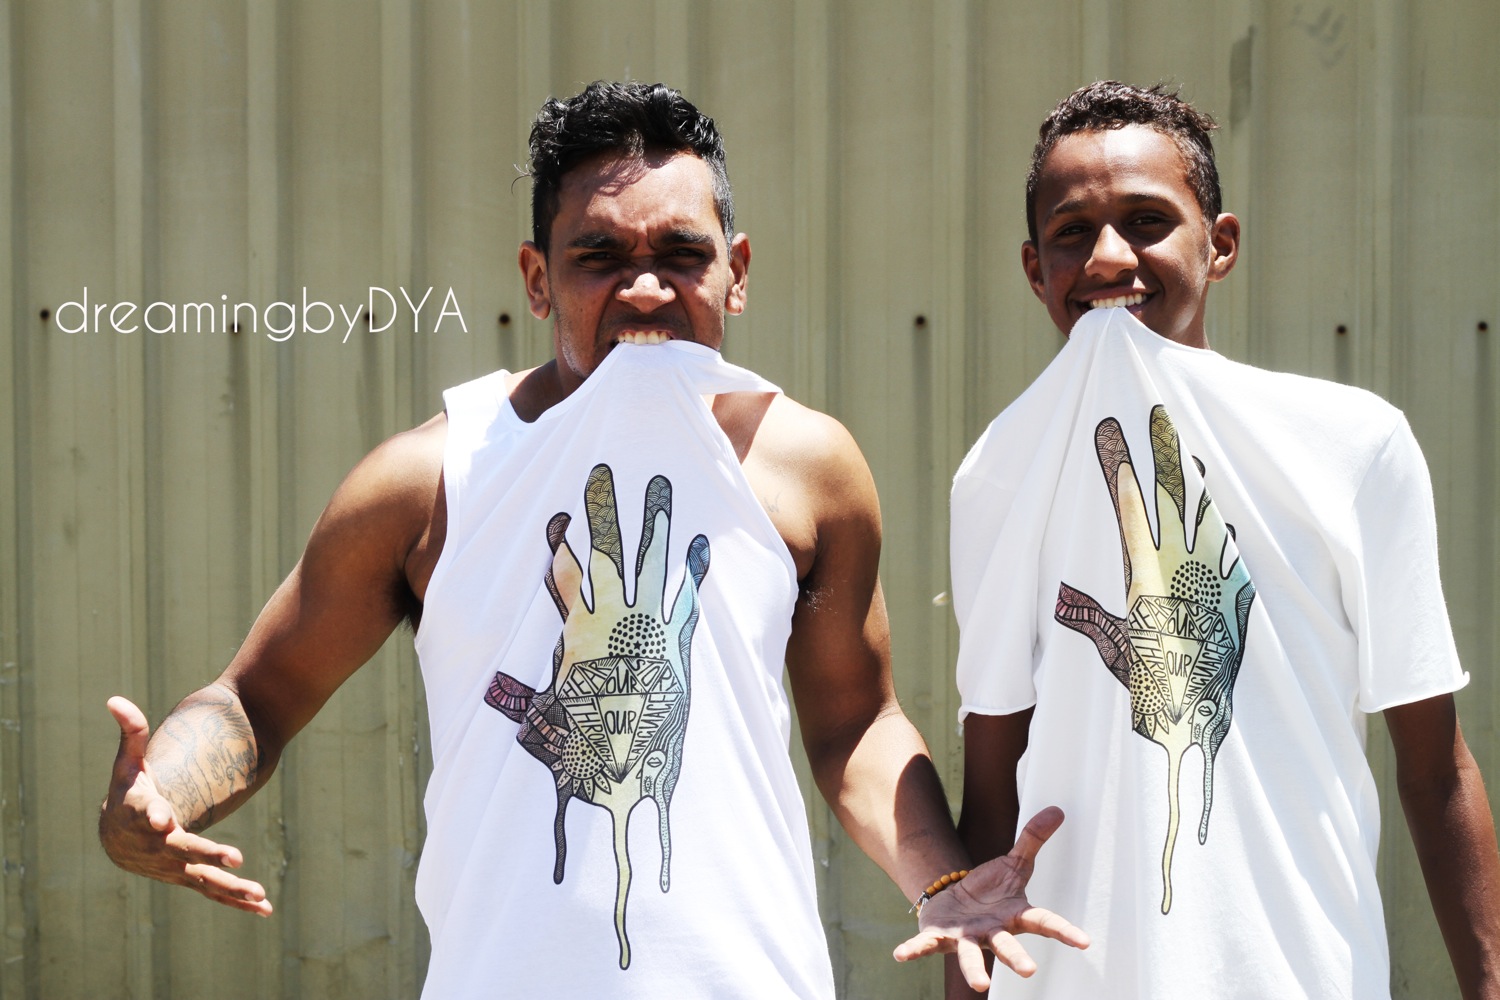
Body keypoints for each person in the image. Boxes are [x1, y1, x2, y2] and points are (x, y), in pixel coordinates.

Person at [99, 81, 1085, 997]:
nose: (644, 289)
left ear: (736, 273)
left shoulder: (806, 467)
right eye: (599, 257)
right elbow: (255, 699)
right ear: (537, 279)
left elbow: (856, 725)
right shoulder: (431, 480)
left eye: (681, 255)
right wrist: (163, 792)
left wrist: (939, 876)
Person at [946, 80, 1500, 999]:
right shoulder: (995, 475)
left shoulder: (1350, 444)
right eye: (1073, 232)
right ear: (1035, 268)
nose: (1108, 257)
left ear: (1221, 244)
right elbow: (993, 782)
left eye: (1147, 221)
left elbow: (1435, 767)